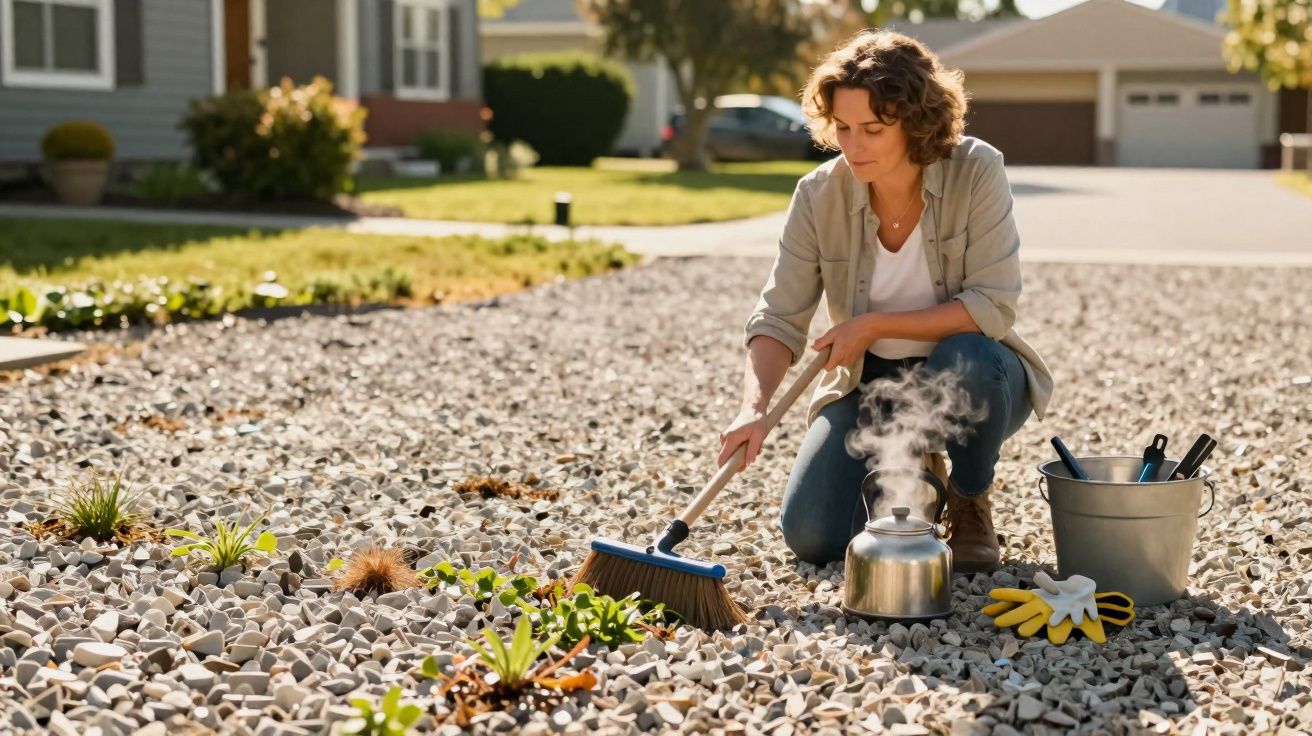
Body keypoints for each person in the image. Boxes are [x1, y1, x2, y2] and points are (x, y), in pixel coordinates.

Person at [717, 30, 1053, 574]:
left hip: (974, 375)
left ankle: (968, 496)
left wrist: (873, 325)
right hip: (867, 382)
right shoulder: (817, 194)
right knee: (814, 537)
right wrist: (752, 409)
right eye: (843, 128)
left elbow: (992, 305)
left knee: (965, 357)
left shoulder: (977, 170)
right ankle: (917, 471)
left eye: (873, 129)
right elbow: (779, 318)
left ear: (917, 121)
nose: (854, 146)